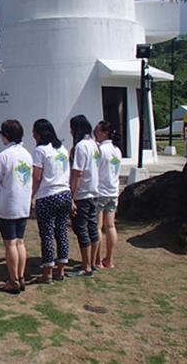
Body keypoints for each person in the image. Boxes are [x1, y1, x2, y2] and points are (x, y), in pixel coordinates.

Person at [0, 119, 33, 294]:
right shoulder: (27, 154)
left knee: (10, 244)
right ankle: (20, 276)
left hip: (8, 204)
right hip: (23, 203)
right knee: (19, 242)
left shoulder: (4, 156)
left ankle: (13, 279)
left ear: (6, 136)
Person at [31, 119, 72, 284]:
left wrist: (31, 196)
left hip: (48, 194)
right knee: (61, 232)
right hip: (64, 193)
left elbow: (37, 176)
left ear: (39, 133)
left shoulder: (40, 150)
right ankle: (60, 269)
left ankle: (47, 271)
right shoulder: (61, 148)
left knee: (47, 234)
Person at [68, 115, 100, 277]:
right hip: (94, 191)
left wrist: (71, 196)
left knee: (82, 229)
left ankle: (86, 265)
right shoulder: (94, 145)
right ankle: (92, 263)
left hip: (83, 193)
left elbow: (77, 174)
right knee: (92, 228)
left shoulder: (81, 146)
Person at [93, 120, 122, 269]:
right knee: (110, 226)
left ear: (104, 133)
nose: (95, 133)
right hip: (113, 190)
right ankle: (109, 259)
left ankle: (97, 260)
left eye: (97, 131)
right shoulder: (117, 150)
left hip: (100, 191)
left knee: (98, 226)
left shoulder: (100, 150)